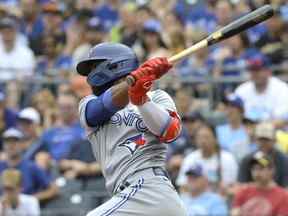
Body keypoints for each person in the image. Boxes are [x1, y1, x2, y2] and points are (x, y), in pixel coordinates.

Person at [77, 42, 187, 215]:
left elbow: (170, 131)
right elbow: (101, 109)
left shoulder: (157, 97)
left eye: (94, 66)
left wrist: (141, 99)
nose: (90, 73)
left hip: (150, 190)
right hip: (126, 198)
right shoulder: (88, 104)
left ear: (114, 65)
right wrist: (133, 83)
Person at [0, 128, 58, 202]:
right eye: (8, 142)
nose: (11, 145)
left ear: (22, 144)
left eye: (15, 142)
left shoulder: (32, 167)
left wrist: (31, 200)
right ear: (4, 145)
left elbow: (53, 189)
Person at [177, 123, 238, 192]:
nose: (203, 141)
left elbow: (233, 186)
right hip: (194, 200)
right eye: (200, 137)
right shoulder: (190, 159)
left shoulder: (227, 158)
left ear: (215, 139)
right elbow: (182, 186)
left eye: (206, 137)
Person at [234, 52, 288, 123]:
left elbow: (283, 120)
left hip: (276, 132)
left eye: (258, 70)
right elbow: (234, 114)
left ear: (268, 71)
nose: (255, 73)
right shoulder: (241, 90)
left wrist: (258, 128)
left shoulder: (282, 89)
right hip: (248, 130)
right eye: (252, 70)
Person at [232, 152, 288, 216]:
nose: (256, 173)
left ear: (272, 170)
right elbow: (235, 212)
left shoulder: (282, 196)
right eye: (254, 169)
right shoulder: (243, 191)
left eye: (261, 168)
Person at [238, 122, 288, 187]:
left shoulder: (283, 160)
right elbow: (241, 185)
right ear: (255, 140)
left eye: (267, 139)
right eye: (260, 139)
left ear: (274, 140)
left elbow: (285, 187)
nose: (263, 143)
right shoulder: (247, 160)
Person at [38, 92, 85, 161]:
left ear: (76, 108)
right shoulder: (50, 132)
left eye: (69, 107)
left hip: (78, 166)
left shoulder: (84, 130)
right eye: (62, 107)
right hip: (53, 168)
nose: (65, 111)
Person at [216, 94, 250, 161]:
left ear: (241, 111)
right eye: (227, 107)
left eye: (232, 107)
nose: (229, 111)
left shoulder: (249, 131)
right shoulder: (218, 130)